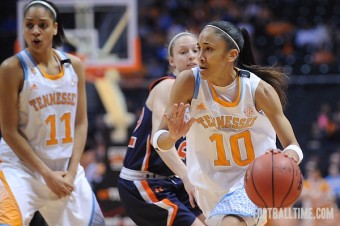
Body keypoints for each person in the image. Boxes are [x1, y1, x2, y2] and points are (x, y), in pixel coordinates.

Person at [152, 20, 304, 226]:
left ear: (231, 55)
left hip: (252, 183)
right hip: (207, 189)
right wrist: (171, 136)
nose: (200, 57)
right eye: (200, 49)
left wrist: (286, 160)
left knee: (231, 222)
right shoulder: (188, 82)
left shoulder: (259, 90)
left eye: (209, 49)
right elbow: (159, 141)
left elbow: (293, 145)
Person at [0, 1, 105, 225]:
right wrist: (46, 174)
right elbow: (8, 131)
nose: (35, 31)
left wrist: (73, 170)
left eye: (42, 25)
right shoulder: (11, 68)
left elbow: (81, 122)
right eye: (29, 25)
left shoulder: (74, 65)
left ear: (55, 28)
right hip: (21, 168)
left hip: (65, 169)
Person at [117, 32, 206, 226]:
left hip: (174, 181)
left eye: (195, 50)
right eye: (183, 52)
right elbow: (160, 141)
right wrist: (187, 177)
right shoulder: (168, 87)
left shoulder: (203, 93)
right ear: (172, 61)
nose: (191, 55)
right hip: (143, 181)